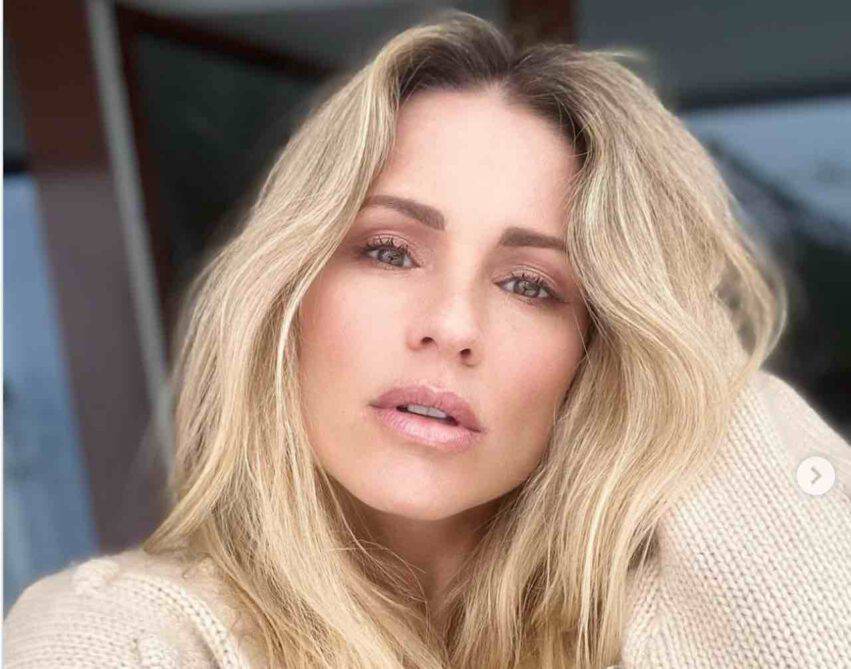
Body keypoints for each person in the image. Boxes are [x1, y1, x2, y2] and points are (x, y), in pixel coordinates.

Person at [5, 10, 850, 669]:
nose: (451, 325)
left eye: (530, 285)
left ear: (601, 351)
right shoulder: (125, 634)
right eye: (388, 250)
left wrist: (683, 355)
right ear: (289, 290)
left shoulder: (661, 624)